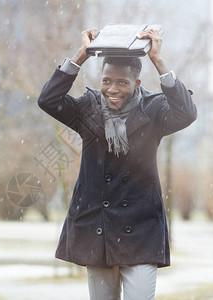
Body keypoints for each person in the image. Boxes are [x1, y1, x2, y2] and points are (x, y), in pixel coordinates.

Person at [37, 28, 197, 300]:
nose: (113, 89)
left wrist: (157, 60)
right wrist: (82, 55)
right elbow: (48, 100)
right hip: (97, 226)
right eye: (107, 80)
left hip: (141, 227)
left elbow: (186, 113)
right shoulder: (88, 107)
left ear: (136, 83)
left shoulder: (153, 109)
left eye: (122, 82)